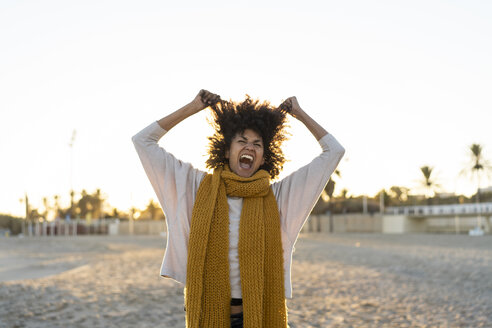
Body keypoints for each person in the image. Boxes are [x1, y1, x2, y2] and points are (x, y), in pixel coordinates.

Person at [132, 90, 345, 328]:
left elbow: (334, 152)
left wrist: (301, 114)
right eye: (242, 141)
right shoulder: (193, 187)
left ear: (264, 157)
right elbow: (143, 141)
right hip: (207, 314)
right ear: (226, 151)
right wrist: (193, 107)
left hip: (259, 317)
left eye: (257, 144)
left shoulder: (278, 197)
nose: (250, 148)